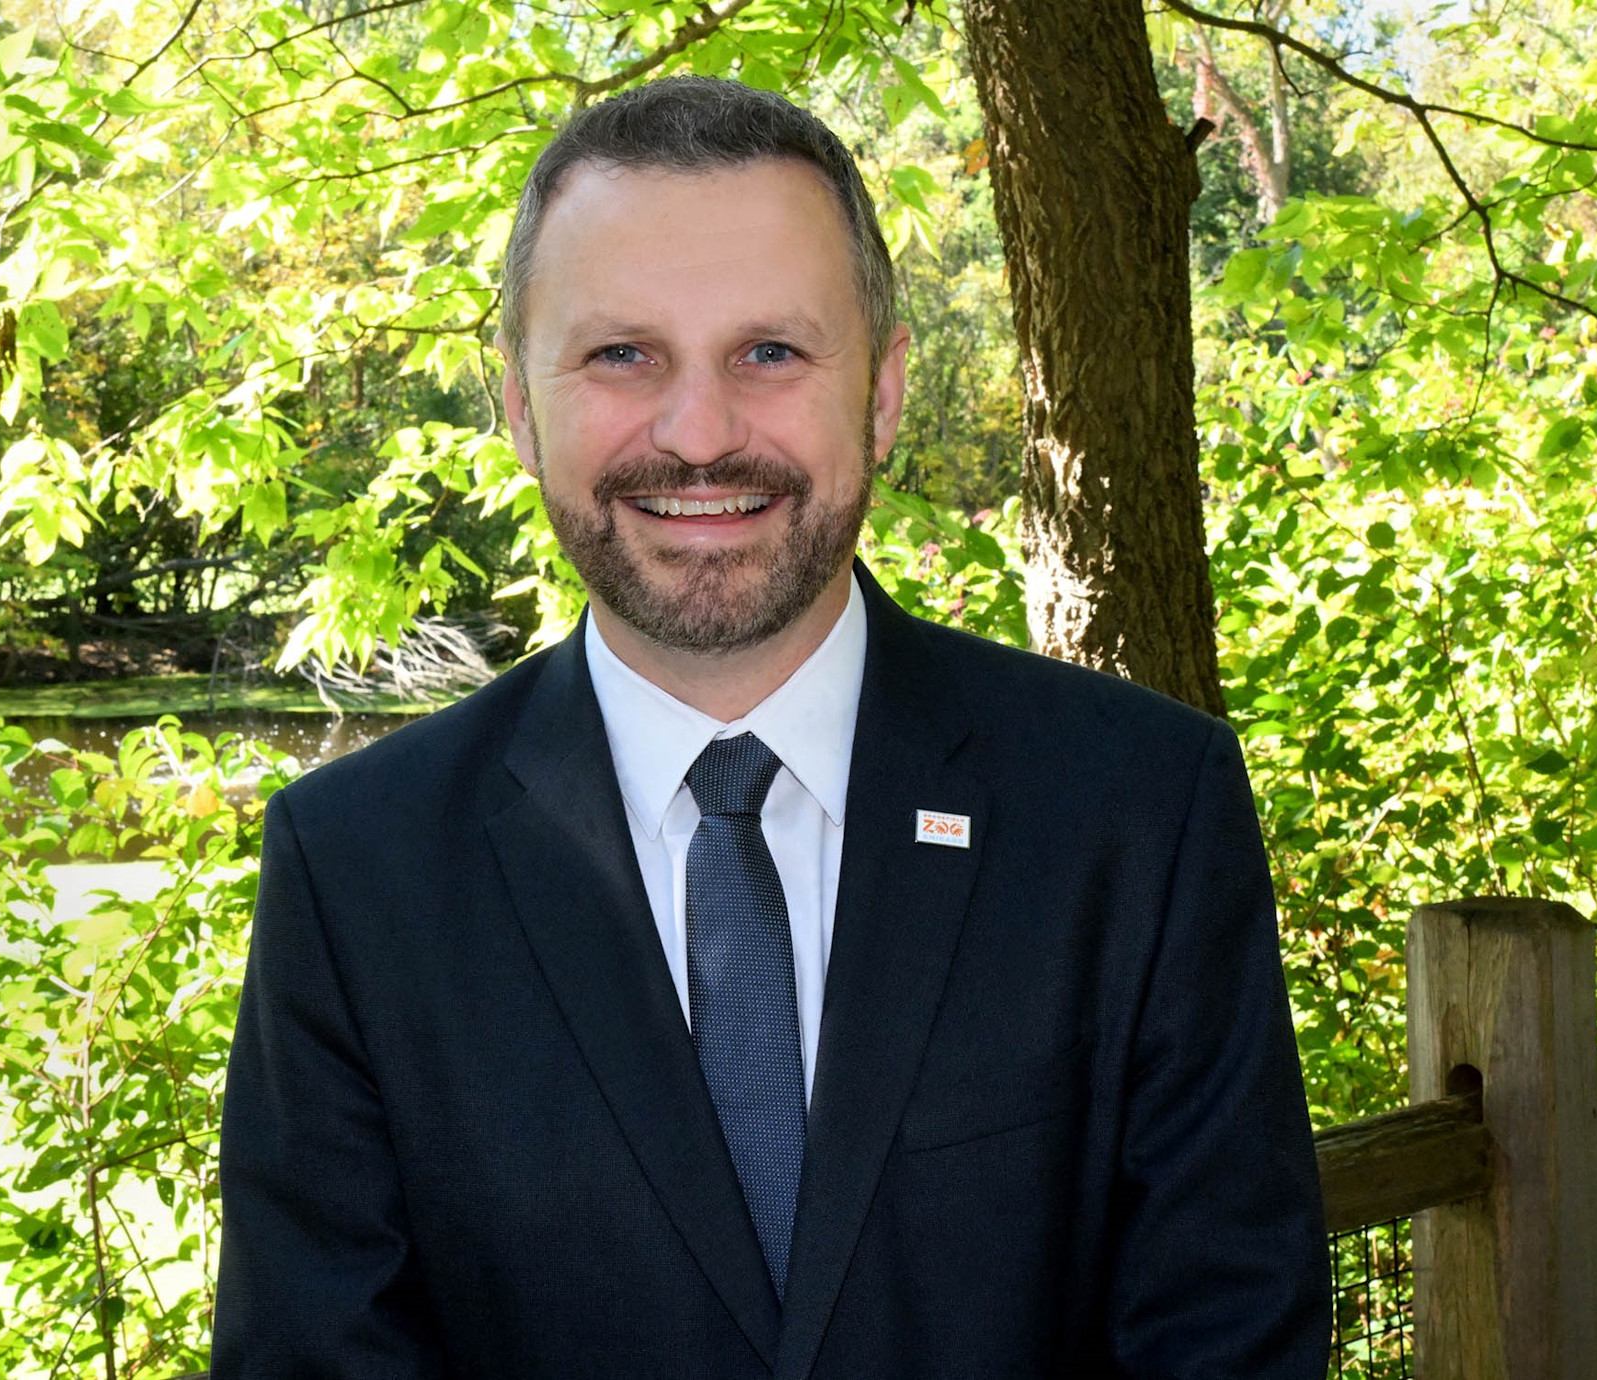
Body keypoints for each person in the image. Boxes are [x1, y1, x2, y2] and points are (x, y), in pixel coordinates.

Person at [212, 77, 1329, 1378]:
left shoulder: (1137, 810)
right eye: (623, 354)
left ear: (887, 394)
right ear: (518, 405)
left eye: (772, 353)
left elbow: (1228, 1339)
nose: (699, 434)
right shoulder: (359, 873)